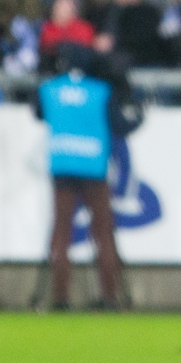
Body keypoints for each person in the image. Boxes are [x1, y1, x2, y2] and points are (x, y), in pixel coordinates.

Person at [33, 43, 142, 311]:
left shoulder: (50, 89)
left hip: (62, 164)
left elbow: (38, 112)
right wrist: (140, 114)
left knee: (62, 232)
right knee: (103, 232)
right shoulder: (101, 91)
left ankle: (60, 298)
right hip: (94, 166)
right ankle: (110, 296)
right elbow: (121, 125)